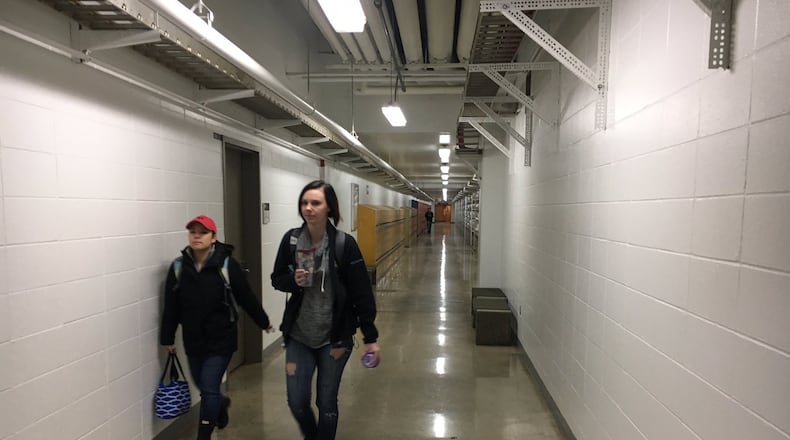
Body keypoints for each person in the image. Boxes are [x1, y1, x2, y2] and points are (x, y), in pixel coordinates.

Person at [271, 180, 380, 440]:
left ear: (329, 207)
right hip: (299, 336)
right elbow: (277, 278)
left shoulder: (344, 244)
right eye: (304, 203)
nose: (308, 208)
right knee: (297, 401)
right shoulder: (292, 240)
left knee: (326, 403)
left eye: (315, 203)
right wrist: (292, 282)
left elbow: (361, 293)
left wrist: (371, 337)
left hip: (336, 339)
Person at [160, 215, 273, 440]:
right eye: (193, 232)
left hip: (222, 339)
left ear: (214, 237)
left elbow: (246, 297)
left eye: (202, 232)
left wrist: (263, 321)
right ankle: (221, 405)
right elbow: (171, 306)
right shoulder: (179, 267)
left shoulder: (226, 265)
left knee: (209, 389)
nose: (197, 236)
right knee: (202, 385)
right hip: (193, 340)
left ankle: (203, 435)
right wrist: (167, 338)